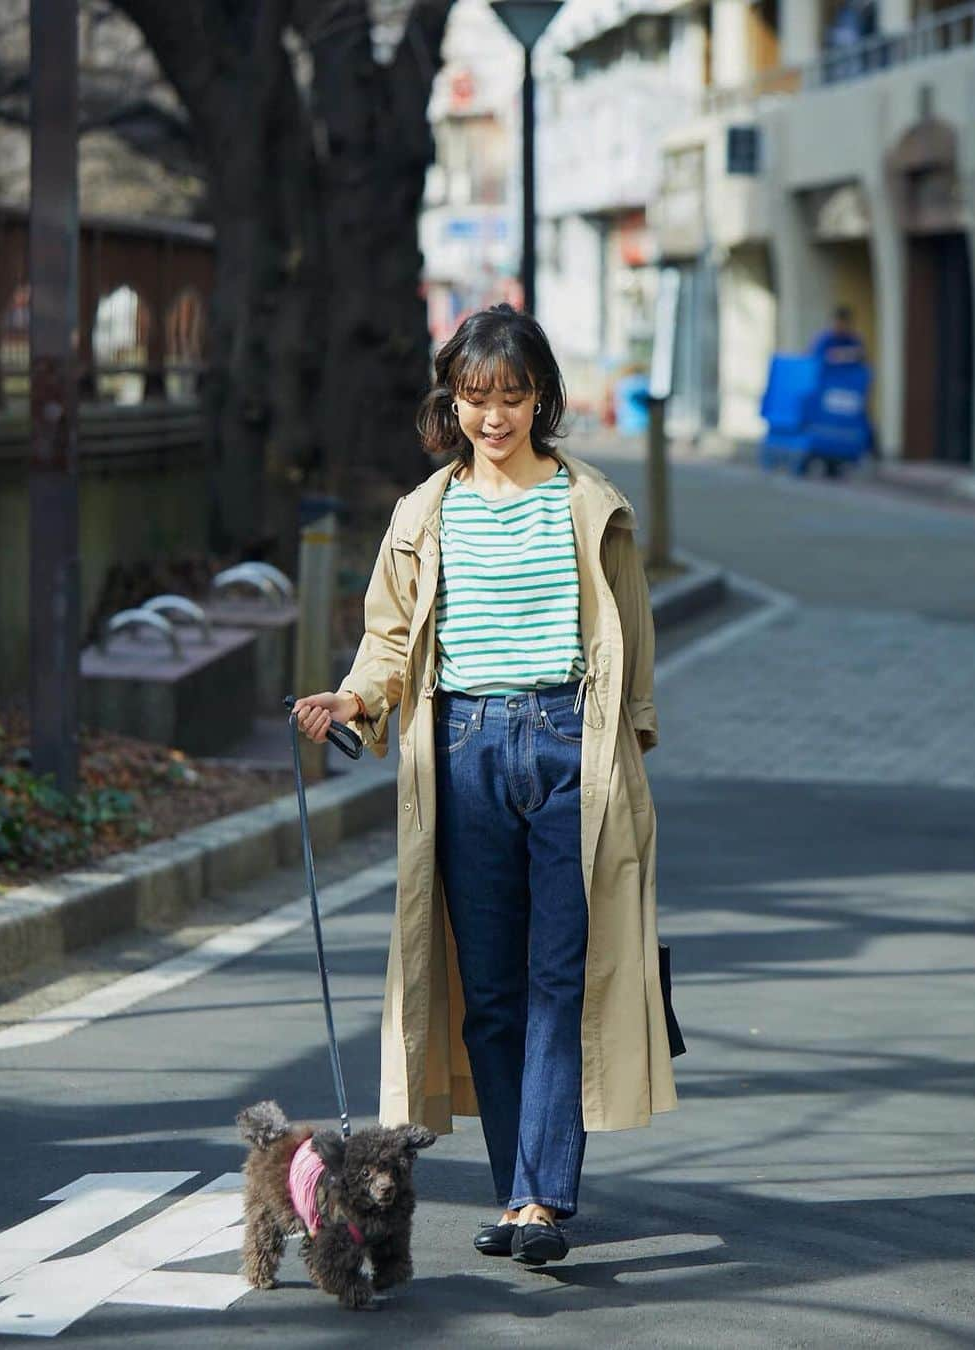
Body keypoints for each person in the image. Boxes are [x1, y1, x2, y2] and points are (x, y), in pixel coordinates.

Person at [293, 303, 677, 1268]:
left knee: (561, 979)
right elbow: (390, 638)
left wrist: (629, 744)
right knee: (493, 990)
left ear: (541, 397)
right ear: (451, 402)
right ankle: (517, 1192)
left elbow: (631, 638)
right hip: (460, 752)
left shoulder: (590, 506)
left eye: (511, 396)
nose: (493, 415)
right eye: (475, 397)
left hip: (567, 751)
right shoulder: (425, 513)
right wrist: (351, 700)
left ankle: (542, 1200)